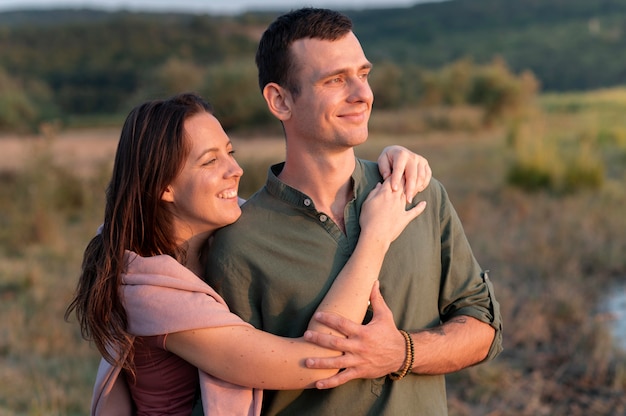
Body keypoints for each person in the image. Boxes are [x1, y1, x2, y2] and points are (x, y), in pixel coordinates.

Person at [204, 7, 503, 416]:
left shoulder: (418, 194)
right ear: (280, 100)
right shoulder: (238, 245)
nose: (362, 94)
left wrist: (402, 352)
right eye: (335, 80)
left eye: (363, 74)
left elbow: (484, 328)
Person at [64, 92, 433, 415]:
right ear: (164, 188)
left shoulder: (221, 229)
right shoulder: (148, 292)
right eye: (210, 162)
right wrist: (376, 239)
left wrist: (387, 163)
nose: (235, 170)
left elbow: (300, 205)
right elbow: (312, 362)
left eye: (230, 152)